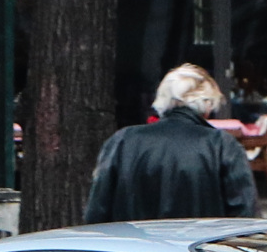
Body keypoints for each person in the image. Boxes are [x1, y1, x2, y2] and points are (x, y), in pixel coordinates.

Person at [84, 64, 257, 223]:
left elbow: (97, 212)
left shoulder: (122, 141)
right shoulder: (222, 146)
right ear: (208, 104)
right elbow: (244, 217)